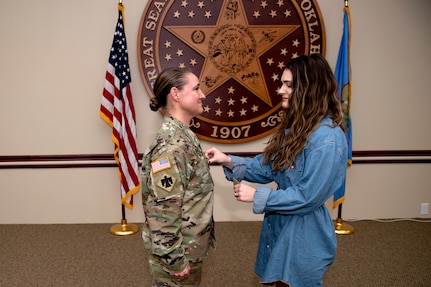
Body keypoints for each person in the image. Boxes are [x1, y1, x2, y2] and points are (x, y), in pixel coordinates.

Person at [205, 54, 348, 287]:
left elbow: (307, 197)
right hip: (280, 226)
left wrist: (257, 195)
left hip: (303, 233)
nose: (280, 90)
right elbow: (270, 166)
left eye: (288, 85)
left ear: (309, 89)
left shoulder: (327, 139)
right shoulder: (297, 129)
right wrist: (227, 160)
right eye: (282, 83)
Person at [141, 67, 215, 287]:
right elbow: (163, 211)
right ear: (175, 94)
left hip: (189, 247)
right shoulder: (171, 147)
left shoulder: (184, 136)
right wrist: (175, 261)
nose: (202, 95)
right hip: (178, 253)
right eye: (196, 88)